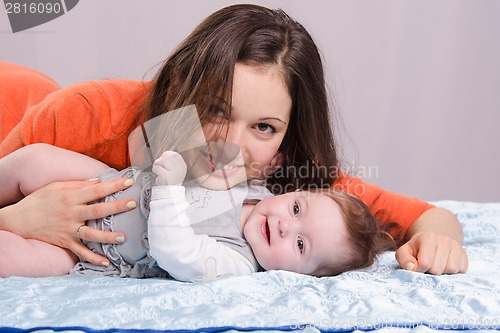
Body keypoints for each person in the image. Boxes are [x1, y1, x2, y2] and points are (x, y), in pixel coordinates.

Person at [0, 4, 467, 275]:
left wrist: (437, 243)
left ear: (287, 137)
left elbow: (430, 217)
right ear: (184, 82)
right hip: (15, 102)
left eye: (264, 127)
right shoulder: (90, 113)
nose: (232, 143)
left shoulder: (286, 190)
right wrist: (19, 216)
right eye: (217, 108)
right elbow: (21, 167)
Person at [0, 144, 394, 281]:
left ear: (304, 276)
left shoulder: (236, 263)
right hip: (108, 183)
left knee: (11, 257)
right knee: (33, 161)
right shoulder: (255, 192)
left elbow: (177, 253)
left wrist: (171, 187)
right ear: (293, 192)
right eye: (295, 208)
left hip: (97, 251)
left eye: (302, 244)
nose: (284, 225)